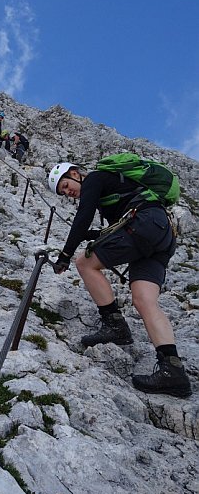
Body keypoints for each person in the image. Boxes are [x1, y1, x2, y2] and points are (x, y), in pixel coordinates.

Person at [47, 161, 191, 398]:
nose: (67, 192)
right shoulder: (116, 189)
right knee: (144, 300)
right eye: (62, 192)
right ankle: (173, 371)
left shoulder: (94, 178)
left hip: (143, 225)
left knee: (84, 262)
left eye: (65, 185)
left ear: (75, 174)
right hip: (162, 234)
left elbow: (84, 215)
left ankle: (115, 325)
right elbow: (115, 226)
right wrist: (89, 235)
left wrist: (65, 254)